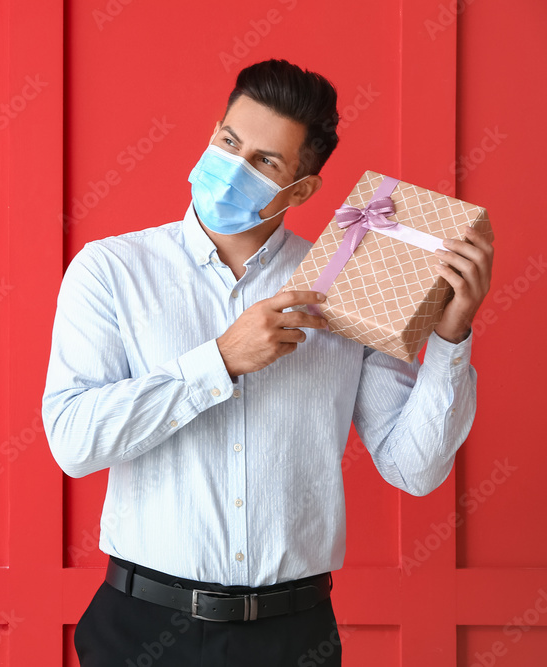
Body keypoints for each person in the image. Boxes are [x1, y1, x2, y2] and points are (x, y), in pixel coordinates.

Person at [41, 59, 494, 666]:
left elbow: (413, 469)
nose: (233, 167)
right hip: (140, 630)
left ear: (301, 189)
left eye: (264, 162)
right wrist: (220, 362)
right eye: (229, 142)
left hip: (293, 638)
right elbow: (73, 443)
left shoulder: (346, 285)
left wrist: (450, 339)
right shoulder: (111, 271)